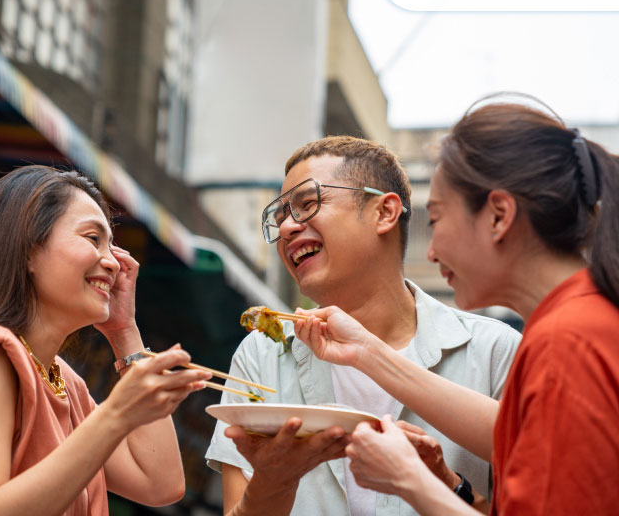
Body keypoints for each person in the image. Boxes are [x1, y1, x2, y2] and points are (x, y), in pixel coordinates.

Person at [296, 95, 619, 515]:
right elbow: (508, 433)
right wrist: (366, 352)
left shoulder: (566, 342)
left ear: (499, 216)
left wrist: (409, 481)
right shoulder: (580, 322)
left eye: (438, 219)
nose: (431, 252)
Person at [205, 136, 522, 515]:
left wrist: (449, 486)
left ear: (385, 213)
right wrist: (276, 478)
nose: (287, 227)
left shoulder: (494, 350)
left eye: (308, 204)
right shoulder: (262, 354)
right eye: (279, 218)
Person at [0, 165, 211, 515]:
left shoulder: (67, 383)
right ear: (28, 250)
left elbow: (162, 484)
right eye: (92, 238)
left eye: (112, 245)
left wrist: (124, 332)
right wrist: (116, 415)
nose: (113, 262)